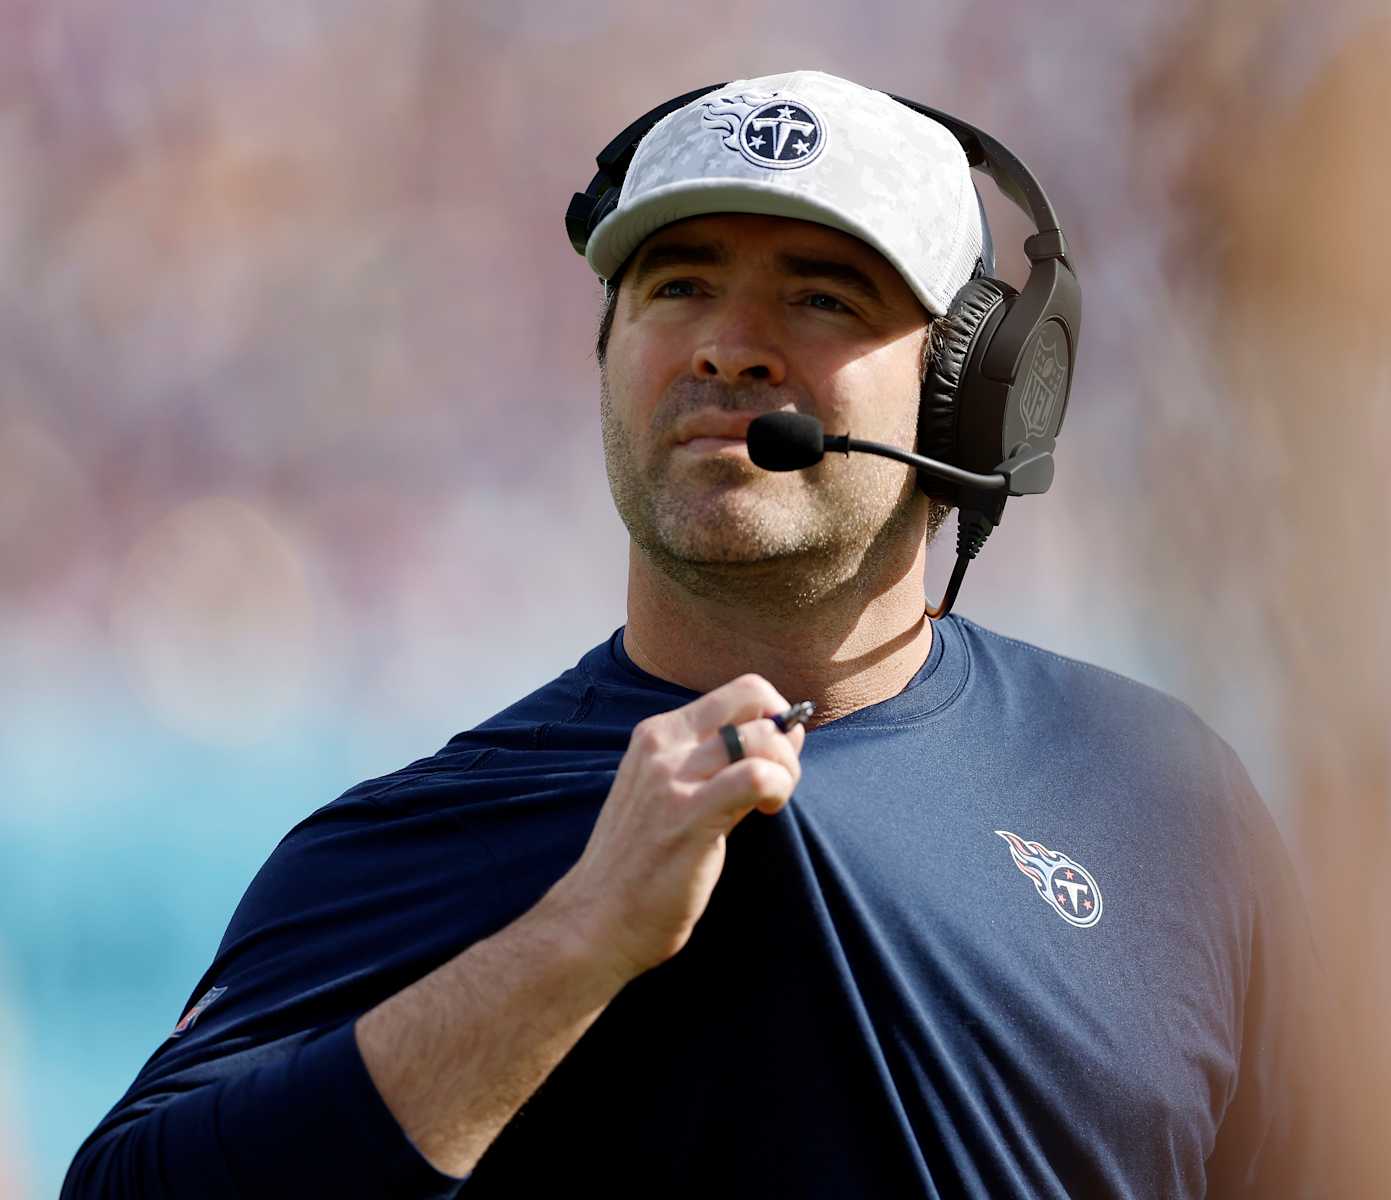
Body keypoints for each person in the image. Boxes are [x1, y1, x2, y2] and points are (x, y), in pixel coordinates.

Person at [64, 70, 1324, 1198]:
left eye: (824, 295)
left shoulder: (1158, 797)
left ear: (978, 392)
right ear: (608, 356)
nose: (729, 346)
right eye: (679, 285)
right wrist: (574, 944)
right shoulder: (410, 841)